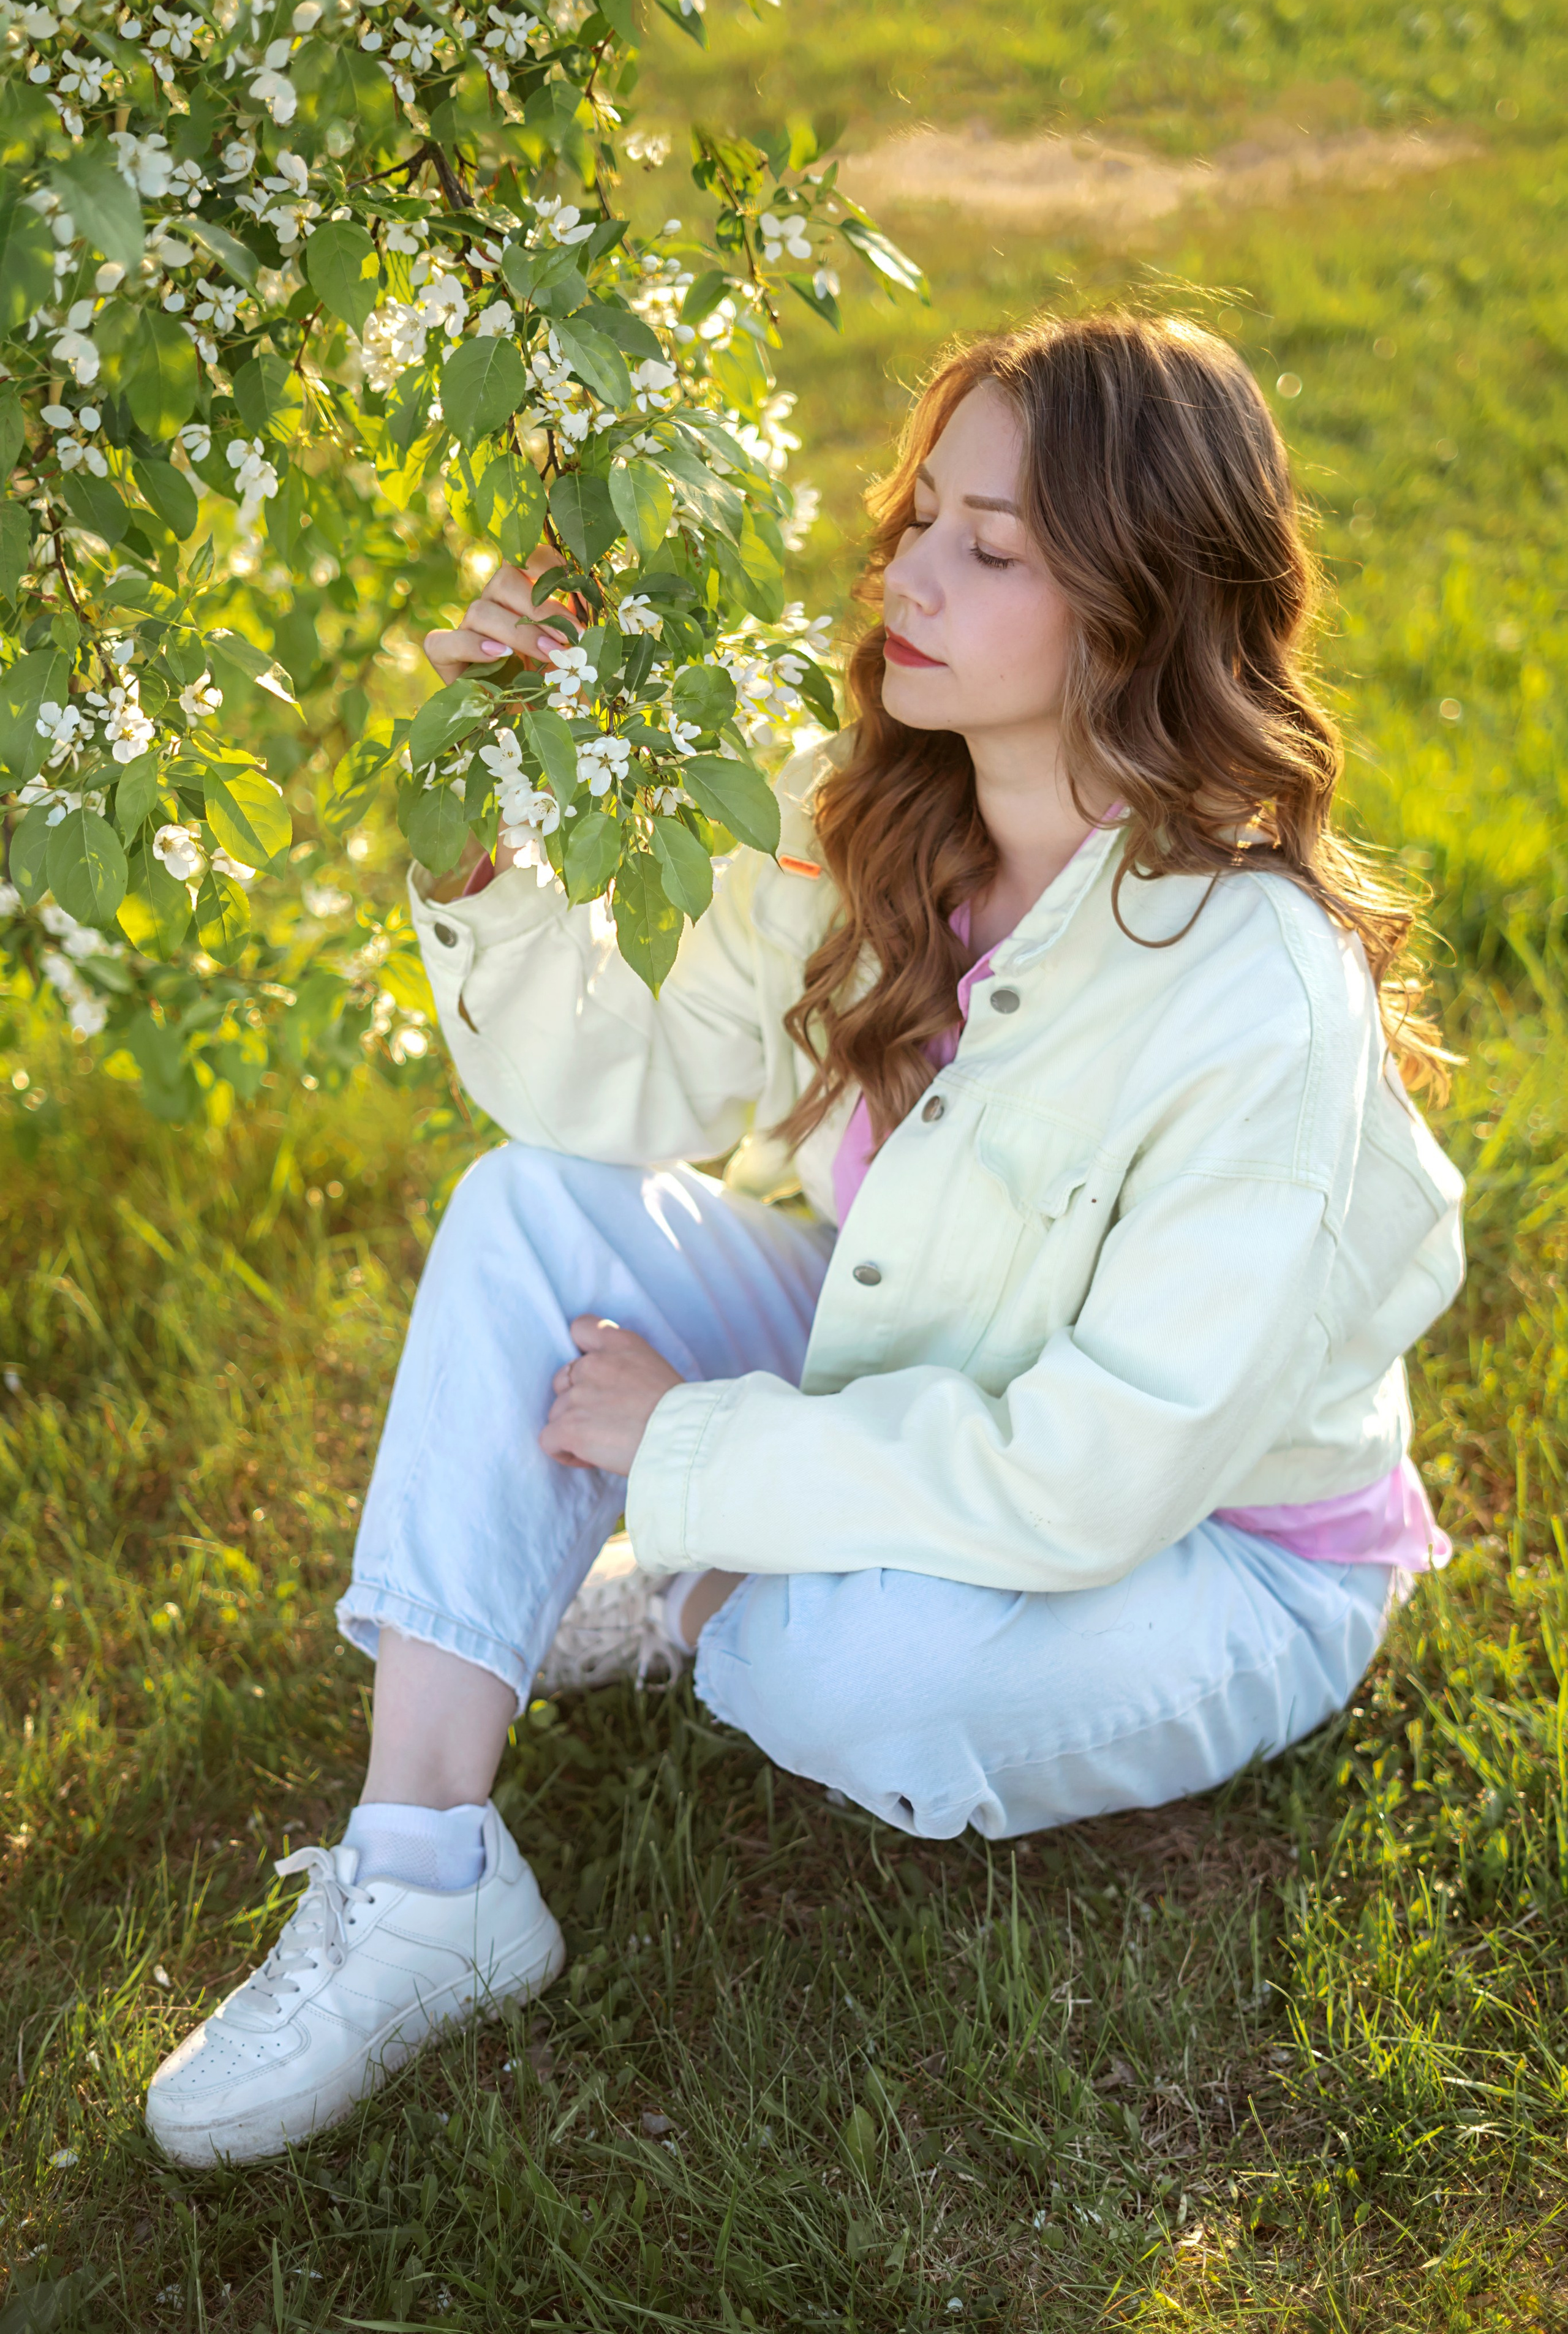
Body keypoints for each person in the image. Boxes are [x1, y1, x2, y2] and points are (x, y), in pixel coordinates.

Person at [145, 314, 1464, 2167]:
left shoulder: (1250, 990)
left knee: (853, 1675)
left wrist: (684, 1456)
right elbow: (630, 1107)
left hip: (1220, 1548)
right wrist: (482, 851)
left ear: (1145, 604)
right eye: (920, 515)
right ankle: (424, 1874)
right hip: (925, 1359)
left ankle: (708, 1591)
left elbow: (1096, 1476)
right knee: (531, 1216)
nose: (909, 572)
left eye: (990, 548)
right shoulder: (891, 817)